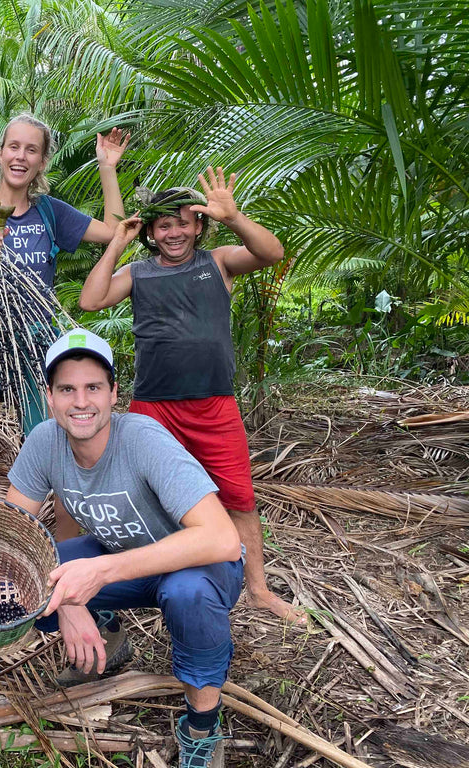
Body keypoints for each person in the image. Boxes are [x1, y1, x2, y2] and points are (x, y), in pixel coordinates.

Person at [6, 328, 243, 768]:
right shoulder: (44, 441)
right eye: (67, 389)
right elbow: (12, 534)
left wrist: (98, 573)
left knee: (187, 593)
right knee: (32, 577)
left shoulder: (142, 439)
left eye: (93, 387)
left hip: (199, 565)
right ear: (50, 396)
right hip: (126, 561)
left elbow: (222, 539)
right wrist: (70, 603)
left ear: (114, 392)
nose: (81, 402)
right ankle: (108, 633)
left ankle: (202, 727)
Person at [77, 167, 303, 623]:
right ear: (152, 233)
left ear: (200, 225)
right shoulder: (138, 272)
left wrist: (235, 216)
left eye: (184, 222)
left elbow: (273, 252)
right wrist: (117, 243)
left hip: (214, 405)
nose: (175, 231)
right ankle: (157, 578)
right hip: (152, 407)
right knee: (145, 496)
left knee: (239, 498)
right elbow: (91, 300)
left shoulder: (217, 261)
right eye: (164, 225)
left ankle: (258, 589)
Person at [0, 114, 130, 498]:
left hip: (33, 343)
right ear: (0, 153)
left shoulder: (50, 212)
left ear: (42, 161)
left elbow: (114, 231)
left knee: (58, 451)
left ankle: (59, 551)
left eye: (32, 150)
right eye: (14, 147)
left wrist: (107, 169)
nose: (21, 156)